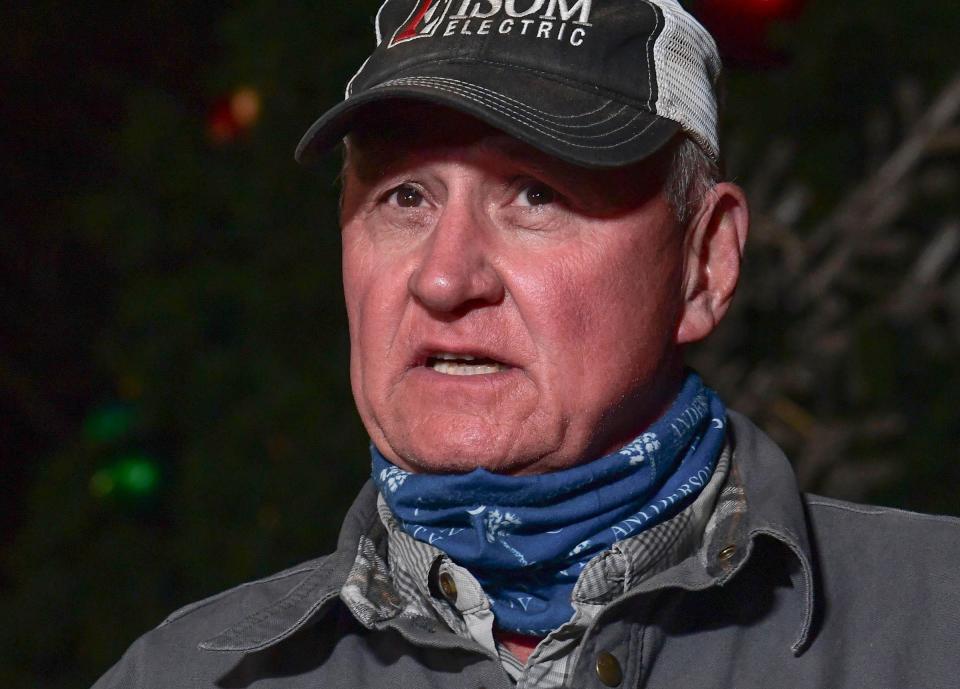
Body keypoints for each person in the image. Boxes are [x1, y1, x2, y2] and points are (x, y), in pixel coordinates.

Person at [93, 1, 960, 687]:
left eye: (535, 192)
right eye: (404, 198)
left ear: (703, 262)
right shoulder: (184, 676)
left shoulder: (935, 627)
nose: (443, 278)